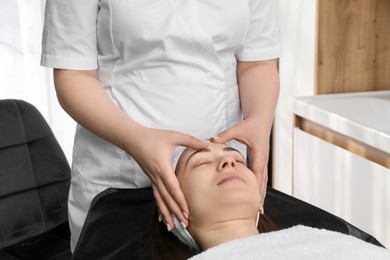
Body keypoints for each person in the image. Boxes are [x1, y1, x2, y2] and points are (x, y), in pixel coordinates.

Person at [40, 0, 281, 251]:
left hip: (219, 173)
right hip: (122, 173)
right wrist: (136, 139)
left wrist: (259, 123)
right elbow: (73, 74)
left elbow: (258, 62)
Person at [148, 143, 390, 260]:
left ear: (260, 201)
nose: (229, 163)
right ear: (170, 206)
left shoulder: (322, 240)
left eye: (238, 160)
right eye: (201, 163)